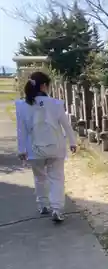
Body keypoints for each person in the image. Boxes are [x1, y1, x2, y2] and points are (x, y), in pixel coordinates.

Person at [15, 72, 77, 223]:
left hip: (34, 148)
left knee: (39, 177)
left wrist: (21, 149)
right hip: (55, 146)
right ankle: (56, 208)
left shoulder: (22, 105)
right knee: (56, 178)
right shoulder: (56, 104)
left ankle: (43, 204)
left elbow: (21, 129)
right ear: (43, 86)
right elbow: (66, 125)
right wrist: (72, 142)